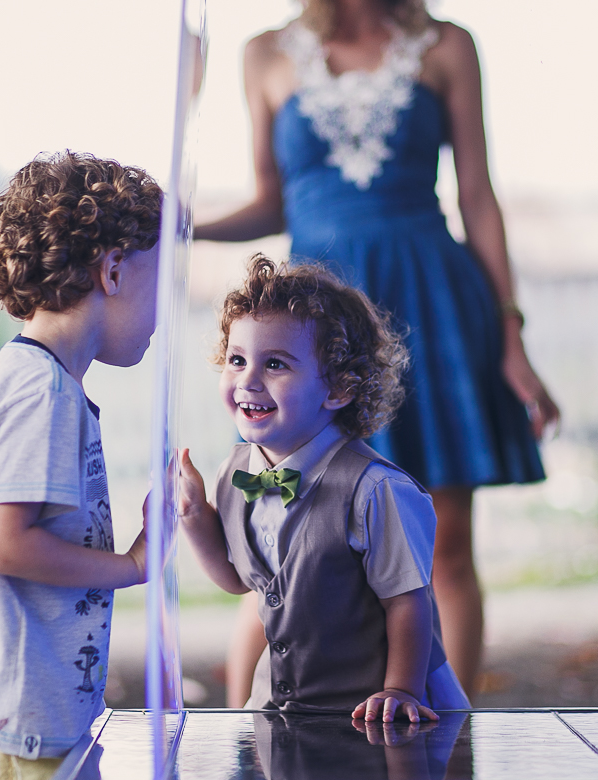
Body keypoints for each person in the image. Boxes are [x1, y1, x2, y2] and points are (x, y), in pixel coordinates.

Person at [195, 0, 559, 701]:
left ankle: (446, 736)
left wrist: (511, 334)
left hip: (432, 304)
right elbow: (272, 200)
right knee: (282, 537)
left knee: (443, 541)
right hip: (309, 323)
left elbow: (478, 196)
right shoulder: (266, 52)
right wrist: (182, 225)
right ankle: (249, 736)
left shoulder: (446, 45)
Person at [0, 151, 162, 780]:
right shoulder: (42, 393)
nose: (163, 312)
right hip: (10, 728)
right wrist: (134, 565)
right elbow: (2, 544)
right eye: (160, 285)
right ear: (113, 270)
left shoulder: (23, 375)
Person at [178, 255, 470, 723]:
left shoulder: (376, 491)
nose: (248, 380)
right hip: (291, 707)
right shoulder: (235, 473)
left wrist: (400, 689)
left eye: (275, 364)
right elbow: (241, 582)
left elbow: (407, 602)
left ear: (338, 389)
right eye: (237, 360)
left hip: (378, 710)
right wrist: (195, 517)